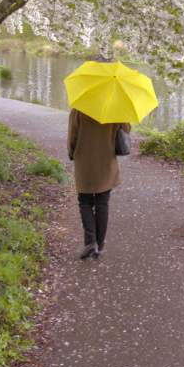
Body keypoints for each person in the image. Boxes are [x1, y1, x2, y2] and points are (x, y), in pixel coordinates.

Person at [67, 108, 131, 259]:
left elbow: (72, 135)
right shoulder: (115, 109)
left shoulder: (79, 108)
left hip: (84, 161)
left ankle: (90, 241)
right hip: (106, 162)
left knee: (85, 202)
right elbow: (127, 129)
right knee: (102, 203)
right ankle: (99, 245)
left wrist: (71, 152)